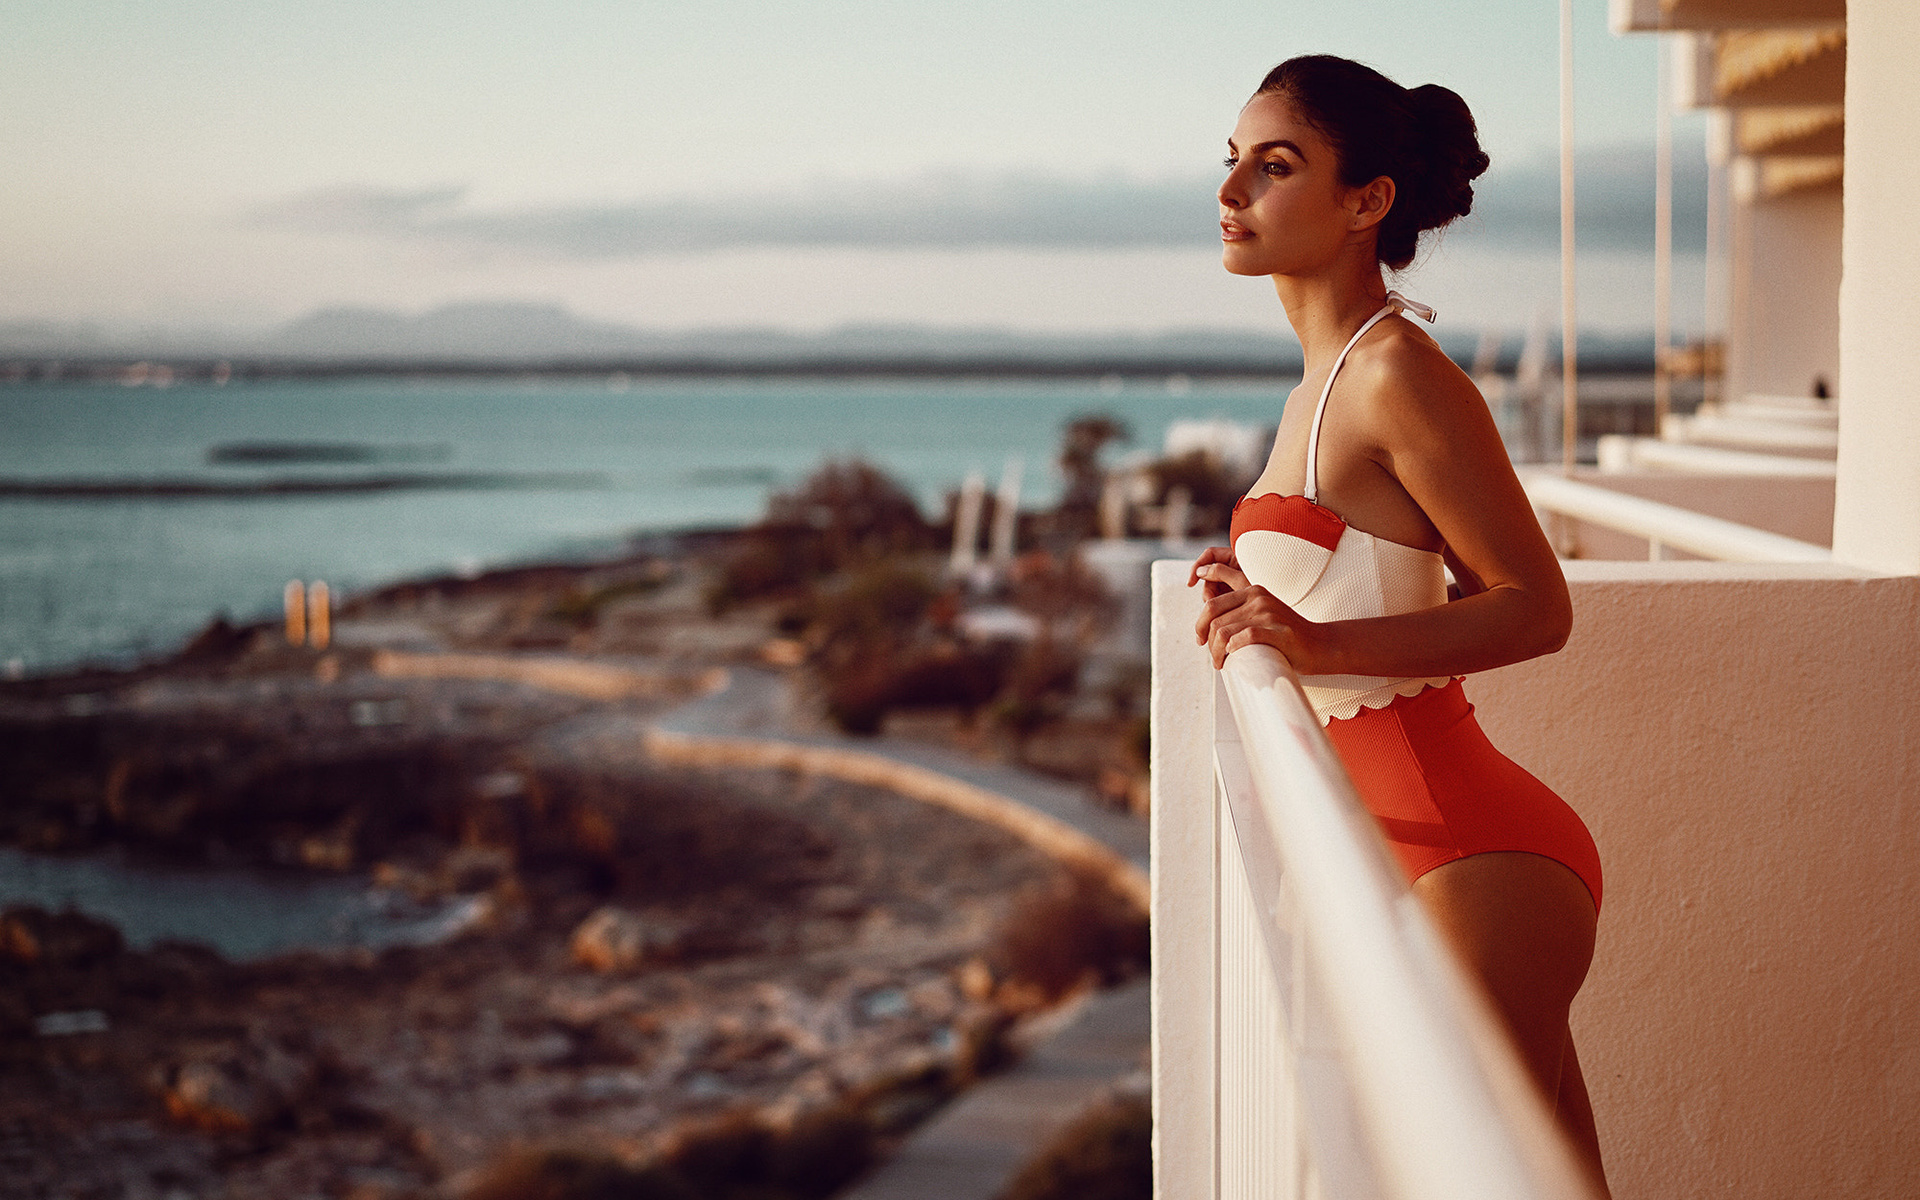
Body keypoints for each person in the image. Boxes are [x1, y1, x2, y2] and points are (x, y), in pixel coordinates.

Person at [1187, 55, 1608, 1194]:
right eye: (1231, 162)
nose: (1230, 192)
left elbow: (1534, 605)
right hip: (1407, 851)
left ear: (1367, 199)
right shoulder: (1317, 385)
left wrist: (1319, 645)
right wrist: (1263, 592)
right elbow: (1378, 572)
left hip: (1468, 858)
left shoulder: (1396, 374)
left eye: (1275, 167)